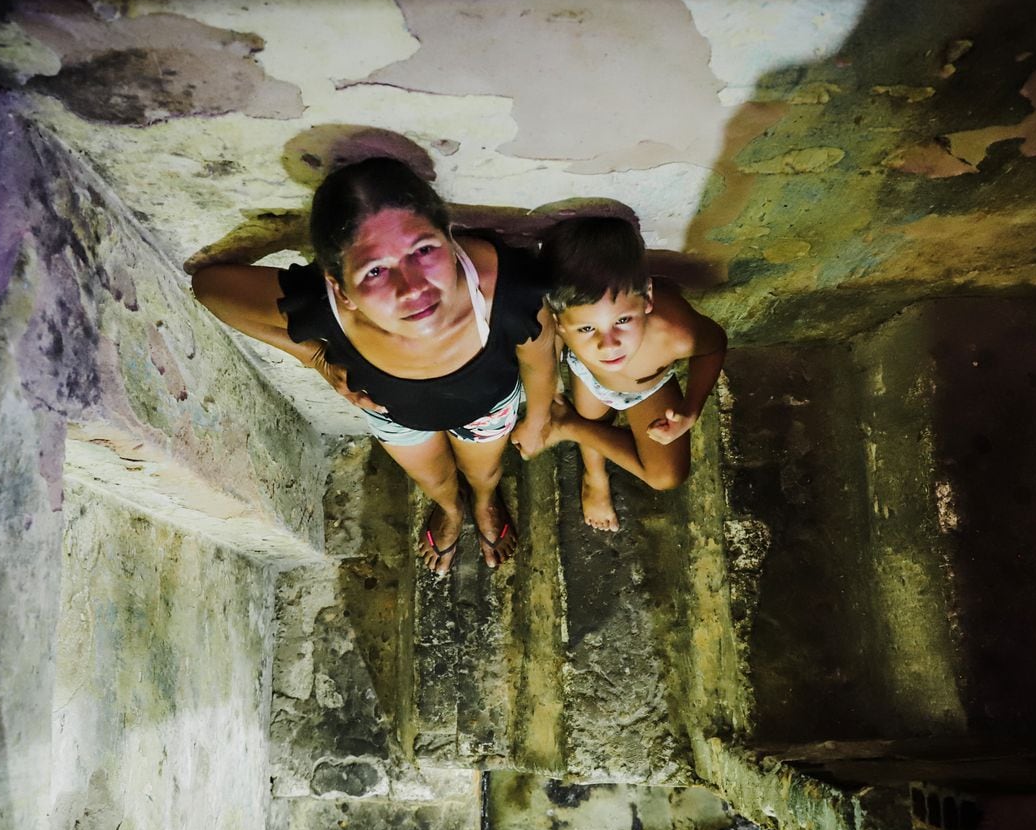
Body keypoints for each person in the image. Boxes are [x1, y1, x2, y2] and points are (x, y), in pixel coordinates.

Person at [191, 157, 556, 572]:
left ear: (449, 237)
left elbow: (540, 354)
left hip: (486, 409)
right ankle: (452, 511)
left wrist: (538, 416)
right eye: (376, 270)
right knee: (434, 482)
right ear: (339, 287)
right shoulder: (325, 306)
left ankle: (486, 503)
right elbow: (210, 289)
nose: (413, 288)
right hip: (393, 415)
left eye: (423, 250)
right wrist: (314, 357)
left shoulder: (510, 290)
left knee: (486, 474)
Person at [531, 216, 726, 531]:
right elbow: (544, 351)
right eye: (586, 328)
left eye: (622, 321)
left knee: (667, 477)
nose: (608, 346)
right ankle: (594, 477)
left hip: (648, 387)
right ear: (560, 322)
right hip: (589, 379)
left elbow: (714, 345)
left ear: (647, 297)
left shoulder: (675, 333)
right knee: (595, 422)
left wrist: (691, 409)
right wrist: (548, 396)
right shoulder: (559, 322)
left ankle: (568, 426)